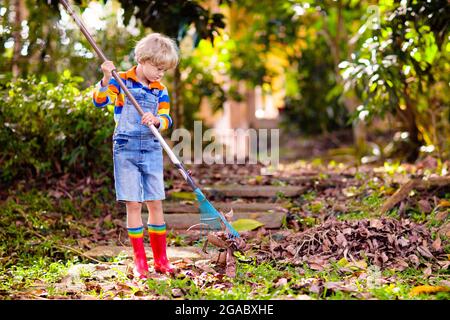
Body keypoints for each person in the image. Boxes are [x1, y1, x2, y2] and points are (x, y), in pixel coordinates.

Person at [92, 33, 179, 279]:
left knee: (155, 201)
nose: (161, 74)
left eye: (165, 70)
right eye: (158, 68)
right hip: (126, 147)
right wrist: (107, 77)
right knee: (133, 203)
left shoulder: (160, 90)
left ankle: (161, 260)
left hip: (151, 147)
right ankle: (140, 261)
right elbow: (100, 102)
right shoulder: (123, 81)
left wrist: (158, 120)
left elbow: (167, 118)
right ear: (143, 59)